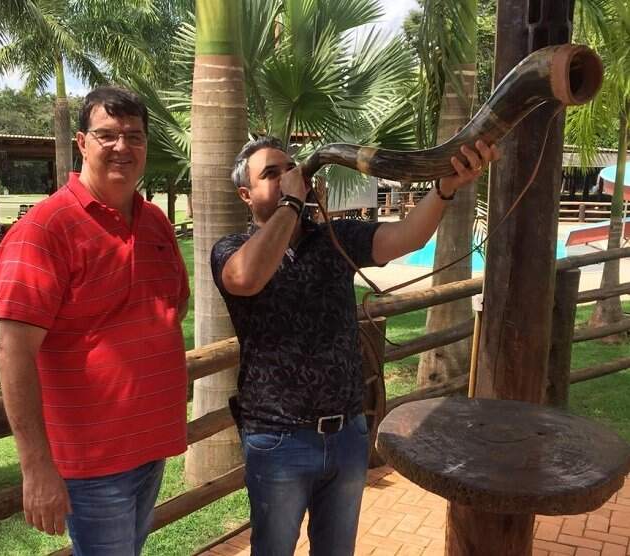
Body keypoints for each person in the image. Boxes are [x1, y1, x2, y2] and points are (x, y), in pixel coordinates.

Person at [210, 135, 500, 555]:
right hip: (277, 440)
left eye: (291, 168)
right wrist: (291, 203)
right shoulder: (230, 249)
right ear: (245, 195)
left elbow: (407, 237)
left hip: (346, 434)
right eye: (271, 174)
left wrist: (445, 187)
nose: (289, 176)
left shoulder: (334, 237)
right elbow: (245, 278)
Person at [0, 86, 190, 556]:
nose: (123, 146)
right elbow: (12, 352)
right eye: (107, 135)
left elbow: (174, 306)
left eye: (134, 136)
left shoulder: (155, 222)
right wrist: (36, 468)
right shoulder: (44, 230)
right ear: (82, 143)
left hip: (151, 447)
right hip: (91, 463)